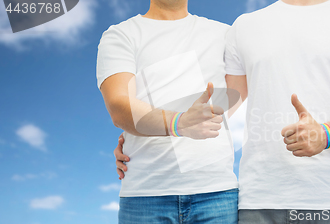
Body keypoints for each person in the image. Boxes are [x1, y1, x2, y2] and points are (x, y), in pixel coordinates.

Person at [117, 0, 330, 223]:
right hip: (258, 202)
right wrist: (136, 139)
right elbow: (220, 107)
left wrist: (326, 134)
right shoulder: (244, 26)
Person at [96, 0, 238, 223]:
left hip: (217, 192)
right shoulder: (122, 35)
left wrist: (139, 126)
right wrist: (178, 123)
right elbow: (119, 105)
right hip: (146, 195)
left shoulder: (225, 35)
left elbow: (243, 91)